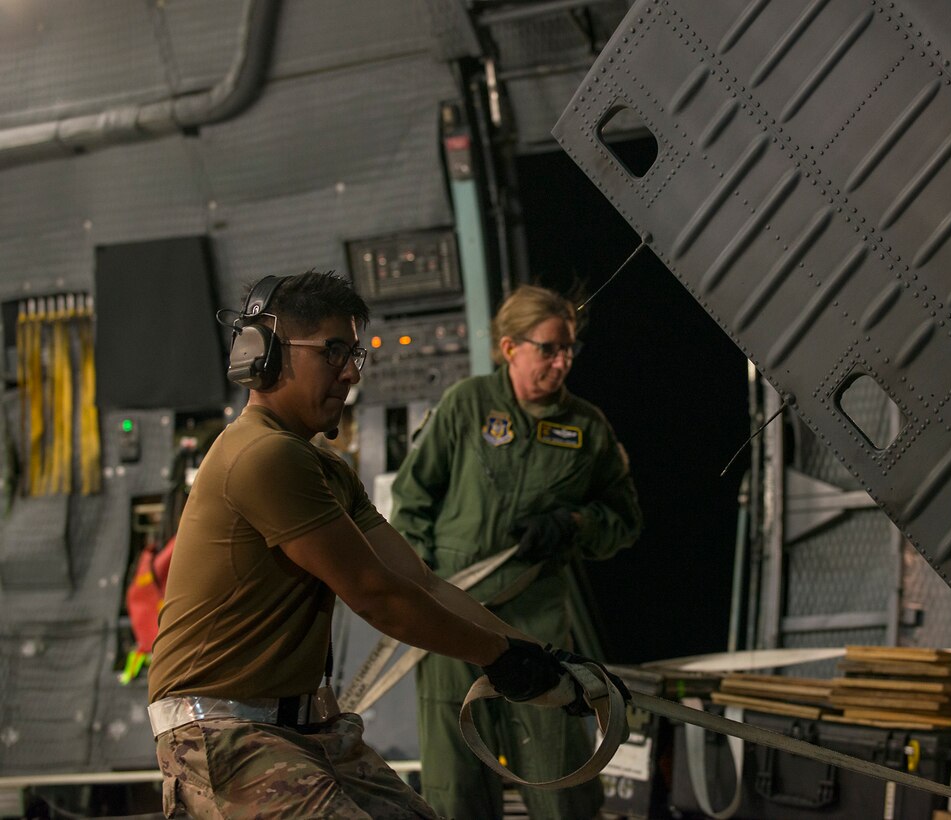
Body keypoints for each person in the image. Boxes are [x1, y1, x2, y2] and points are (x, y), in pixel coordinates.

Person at [147, 271, 606, 819]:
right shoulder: (263, 455)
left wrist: (542, 659)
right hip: (224, 734)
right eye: (332, 353)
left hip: (304, 728)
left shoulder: (323, 467)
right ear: (263, 353)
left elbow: (420, 581)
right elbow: (378, 597)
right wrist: (499, 657)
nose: (349, 374)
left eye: (354, 355)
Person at [389, 283, 643, 819]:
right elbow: (411, 503)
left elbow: (624, 522)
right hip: (451, 623)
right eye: (548, 348)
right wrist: (421, 589)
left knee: (558, 777)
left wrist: (575, 523)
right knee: (455, 787)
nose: (562, 361)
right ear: (510, 348)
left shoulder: (587, 428)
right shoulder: (466, 406)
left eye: (569, 349)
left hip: (536, 627)